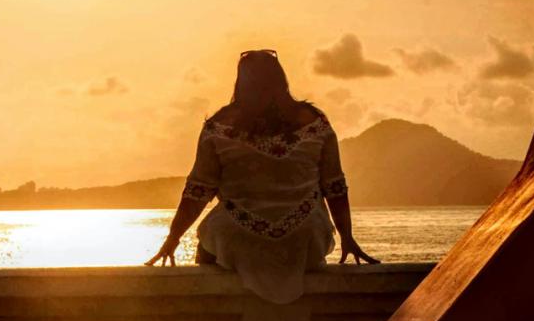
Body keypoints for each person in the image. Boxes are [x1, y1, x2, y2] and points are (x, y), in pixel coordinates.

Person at [147, 49, 378, 301]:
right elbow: (334, 186)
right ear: (281, 80)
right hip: (304, 241)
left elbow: (198, 191)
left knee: (211, 246)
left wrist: (173, 238)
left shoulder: (219, 125)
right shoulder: (314, 122)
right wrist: (347, 237)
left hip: (237, 240)